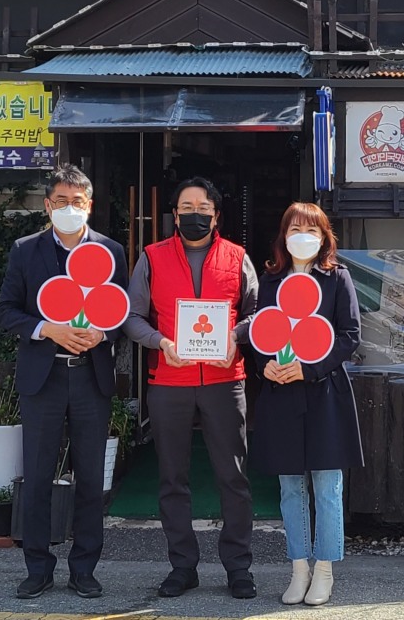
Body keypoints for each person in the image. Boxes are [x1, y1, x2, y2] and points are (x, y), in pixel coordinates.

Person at [0, 164, 127, 601]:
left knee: (90, 478)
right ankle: (37, 568)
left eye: (78, 201)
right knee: (37, 476)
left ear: (90, 205)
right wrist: (46, 328)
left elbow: (123, 311)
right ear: (48, 205)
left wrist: (102, 334)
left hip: (91, 377)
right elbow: (6, 310)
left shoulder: (111, 250)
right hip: (43, 377)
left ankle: (84, 569)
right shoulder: (25, 250)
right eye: (61, 201)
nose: (70, 208)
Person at [123, 177, 258, 600]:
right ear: (174, 214)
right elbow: (132, 317)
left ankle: (239, 567)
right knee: (172, 478)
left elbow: (258, 315)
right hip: (169, 380)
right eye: (186, 208)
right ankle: (182, 566)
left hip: (224, 380)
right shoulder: (152, 257)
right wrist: (160, 342)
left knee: (233, 477)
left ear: (216, 215)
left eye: (203, 208)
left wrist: (235, 336)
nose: (194, 214)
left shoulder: (237, 257)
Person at [250, 201, 363, 607]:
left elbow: (350, 336)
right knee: (290, 487)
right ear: (283, 236)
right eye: (295, 229)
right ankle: (298, 569)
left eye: (312, 230)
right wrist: (265, 366)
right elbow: (259, 332)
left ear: (324, 237)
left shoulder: (338, 277)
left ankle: (325, 570)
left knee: (327, 486)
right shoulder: (270, 280)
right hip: (281, 393)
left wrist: (309, 369)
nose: (303, 237)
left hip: (324, 393)